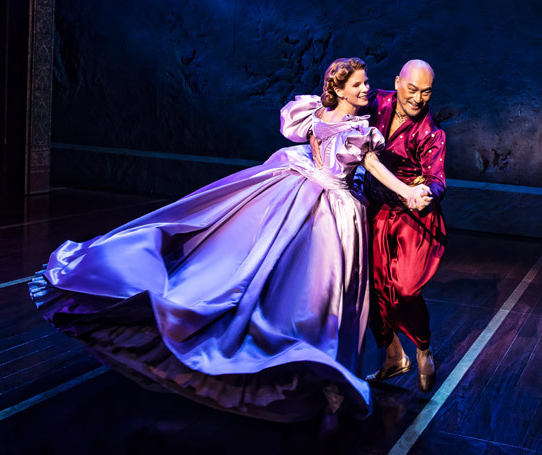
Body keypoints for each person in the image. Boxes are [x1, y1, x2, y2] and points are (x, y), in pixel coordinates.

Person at [29, 57, 432, 422]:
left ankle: (325, 369)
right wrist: (408, 192)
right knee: (315, 287)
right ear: (340, 89)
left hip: (324, 198)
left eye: (366, 84)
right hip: (330, 208)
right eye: (359, 85)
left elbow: (362, 163)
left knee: (307, 283)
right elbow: (374, 167)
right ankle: (315, 370)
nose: (367, 90)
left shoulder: (330, 118)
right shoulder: (345, 125)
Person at [310, 59, 447, 393]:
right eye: (412, 89)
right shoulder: (376, 102)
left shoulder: (430, 132)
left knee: (404, 288)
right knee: (368, 286)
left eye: (426, 93)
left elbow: (436, 178)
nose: (417, 99)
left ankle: (423, 347)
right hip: (372, 208)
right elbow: (335, 113)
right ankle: (392, 356)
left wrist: (424, 192)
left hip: (410, 217)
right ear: (398, 83)